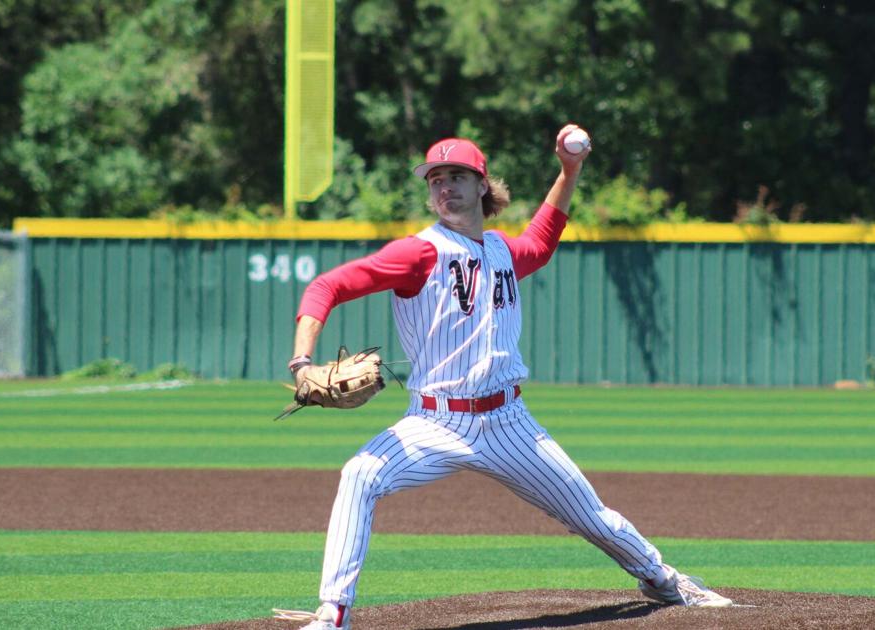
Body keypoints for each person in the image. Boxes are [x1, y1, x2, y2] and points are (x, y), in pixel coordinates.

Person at [277, 125, 732, 630]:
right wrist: (302, 361)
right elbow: (328, 285)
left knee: (593, 517)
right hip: (434, 422)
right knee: (360, 475)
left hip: (510, 423)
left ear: (481, 186)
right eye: (435, 179)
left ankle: (662, 579)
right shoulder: (418, 253)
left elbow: (542, 238)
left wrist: (569, 170)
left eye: (456, 176)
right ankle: (333, 612)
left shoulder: (501, 252)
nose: (444, 186)